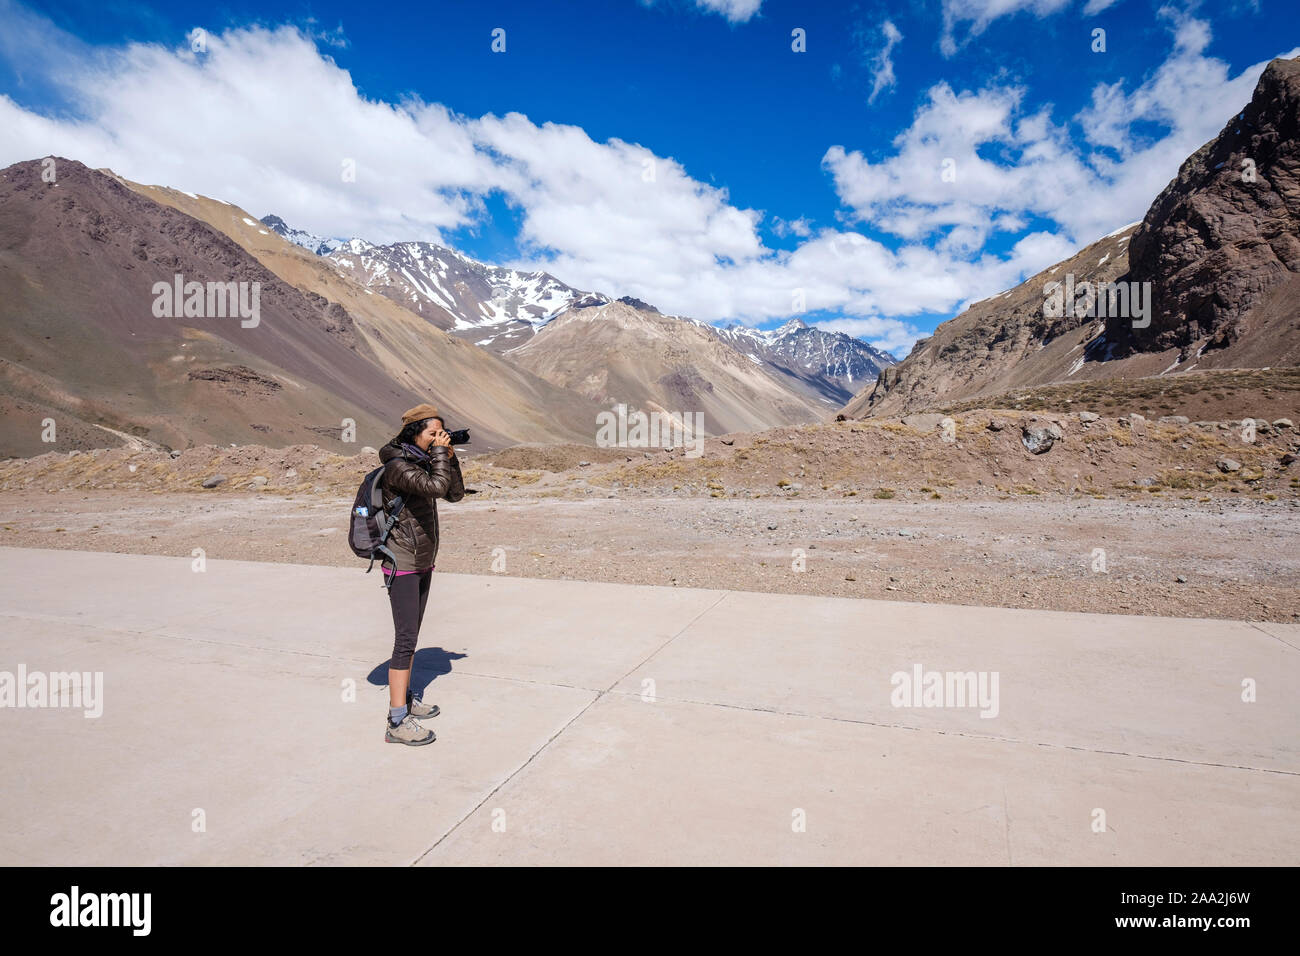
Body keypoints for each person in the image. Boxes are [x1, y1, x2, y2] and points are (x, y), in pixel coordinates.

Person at [377, 402, 465, 745]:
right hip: (402, 563)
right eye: (433, 433)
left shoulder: (421, 461)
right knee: (405, 641)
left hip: (422, 559)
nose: (438, 438)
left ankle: (408, 699)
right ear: (415, 432)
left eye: (440, 433)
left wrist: (450, 457)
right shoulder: (398, 466)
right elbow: (435, 489)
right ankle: (396, 722)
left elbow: (454, 494)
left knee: (411, 636)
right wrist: (442, 453)